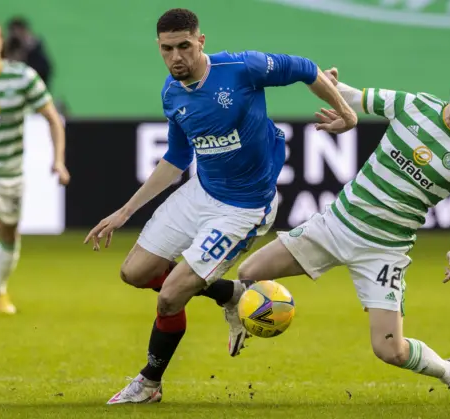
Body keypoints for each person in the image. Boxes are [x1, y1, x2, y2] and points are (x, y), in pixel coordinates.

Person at [83, 8, 357, 404]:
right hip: (201, 191)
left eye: (183, 46)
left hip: (244, 208)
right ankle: (229, 293)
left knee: (170, 296)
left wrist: (347, 114)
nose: (176, 56)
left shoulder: (241, 68)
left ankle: (149, 383)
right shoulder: (171, 92)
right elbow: (177, 157)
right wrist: (125, 211)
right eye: (166, 49)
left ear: (201, 41)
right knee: (135, 272)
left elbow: (305, 68)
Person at [230, 62, 450, 404]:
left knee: (391, 350)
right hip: (335, 225)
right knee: (248, 272)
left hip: (384, 251)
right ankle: (242, 319)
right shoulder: (414, 105)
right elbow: (355, 98)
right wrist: (321, 82)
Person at [0, 21, 69, 314]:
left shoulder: (22, 78)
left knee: (9, 233)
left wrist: (58, 160)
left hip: (9, 172)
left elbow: (52, 118)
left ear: (0, 44)